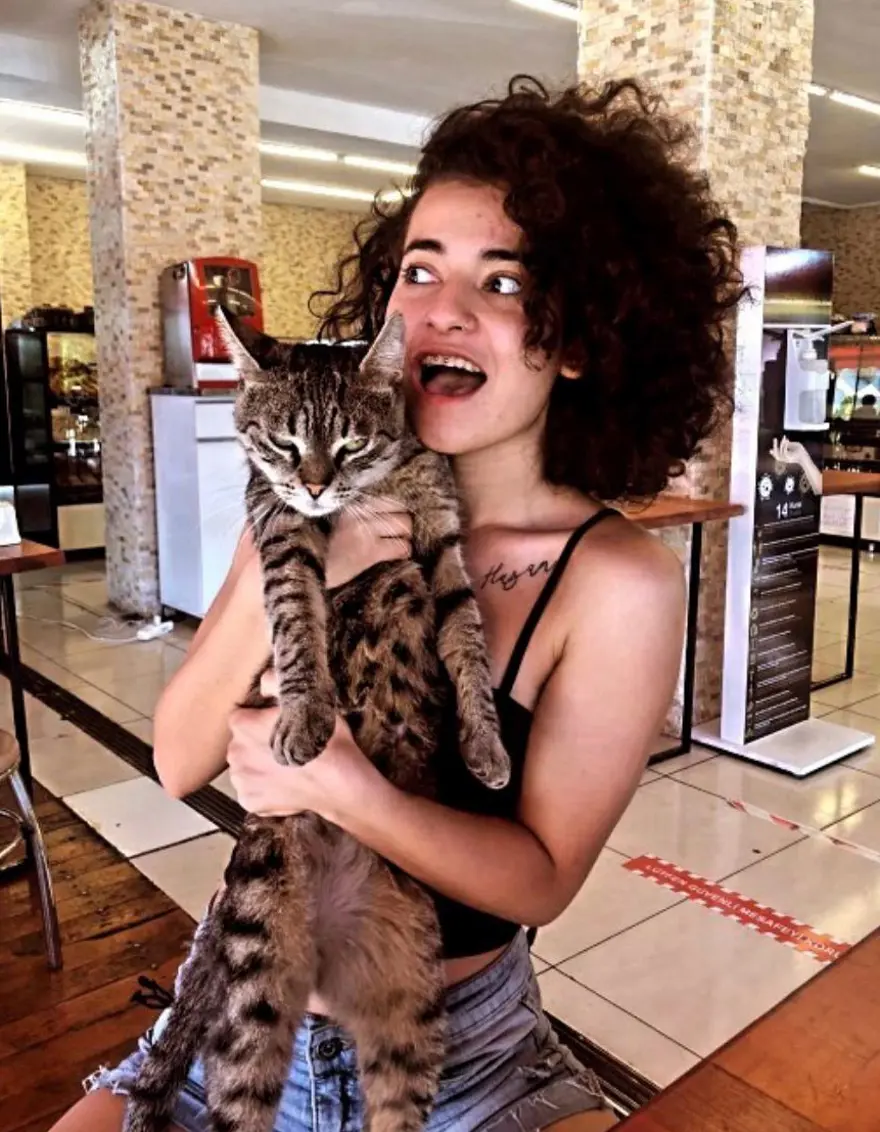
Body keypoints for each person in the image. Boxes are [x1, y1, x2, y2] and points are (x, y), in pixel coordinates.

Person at [54, 76, 741, 1132]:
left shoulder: (614, 581)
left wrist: (348, 788)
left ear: (582, 339)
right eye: (418, 270)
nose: (439, 310)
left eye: (502, 282)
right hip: (235, 1016)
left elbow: (542, 880)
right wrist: (304, 574)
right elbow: (180, 759)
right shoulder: (308, 493)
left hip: (463, 1061)